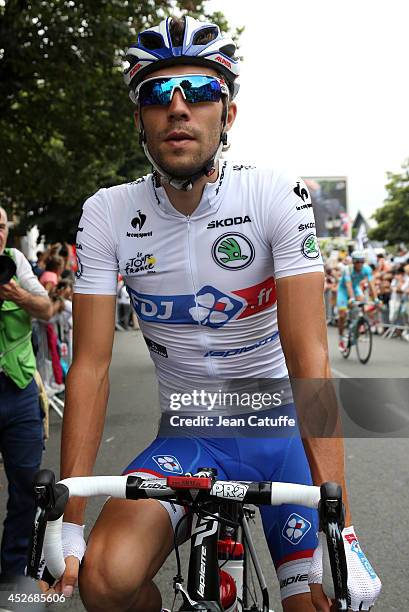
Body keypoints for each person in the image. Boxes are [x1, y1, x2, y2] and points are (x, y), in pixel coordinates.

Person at [47, 16, 381, 612]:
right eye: (158, 94)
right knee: (104, 579)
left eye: (200, 92)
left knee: (313, 604)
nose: (178, 108)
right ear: (140, 121)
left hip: (278, 432)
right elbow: (92, 366)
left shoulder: (275, 194)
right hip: (189, 434)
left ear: (227, 115)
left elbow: (310, 358)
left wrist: (345, 529)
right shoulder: (107, 213)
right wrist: (68, 520)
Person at [0, 207, 53, 578]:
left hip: (18, 389)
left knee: (26, 487)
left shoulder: (14, 261)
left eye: (0, 226)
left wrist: (16, 294)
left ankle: (13, 571)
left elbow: (47, 308)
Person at [336, 250, 378, 351]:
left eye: (361, 261)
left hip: (355, 288)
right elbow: (348, 285)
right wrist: (351, 298)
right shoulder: (347, 269)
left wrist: (375, 298)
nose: (359, 264)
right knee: (342, 315)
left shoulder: (367, 269)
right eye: (357, 262)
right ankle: (341, 339)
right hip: (343, 291)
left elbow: (371, 284)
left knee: (362, 300)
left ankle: (360, 323)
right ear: (353, 262)